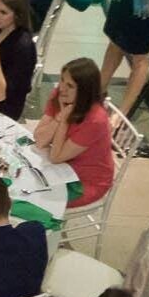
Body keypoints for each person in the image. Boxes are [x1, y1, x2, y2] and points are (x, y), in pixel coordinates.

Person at [32, 57, 115, 209]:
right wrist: (58, 118)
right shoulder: (60, 95)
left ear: (84, 91)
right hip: (63, 166)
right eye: (62, 79)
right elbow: (39, 139)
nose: (62, 87)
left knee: (33, 196)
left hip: (86, 180)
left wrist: (63, 121)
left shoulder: (96, 120)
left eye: (70, 85)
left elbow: (56, 157)